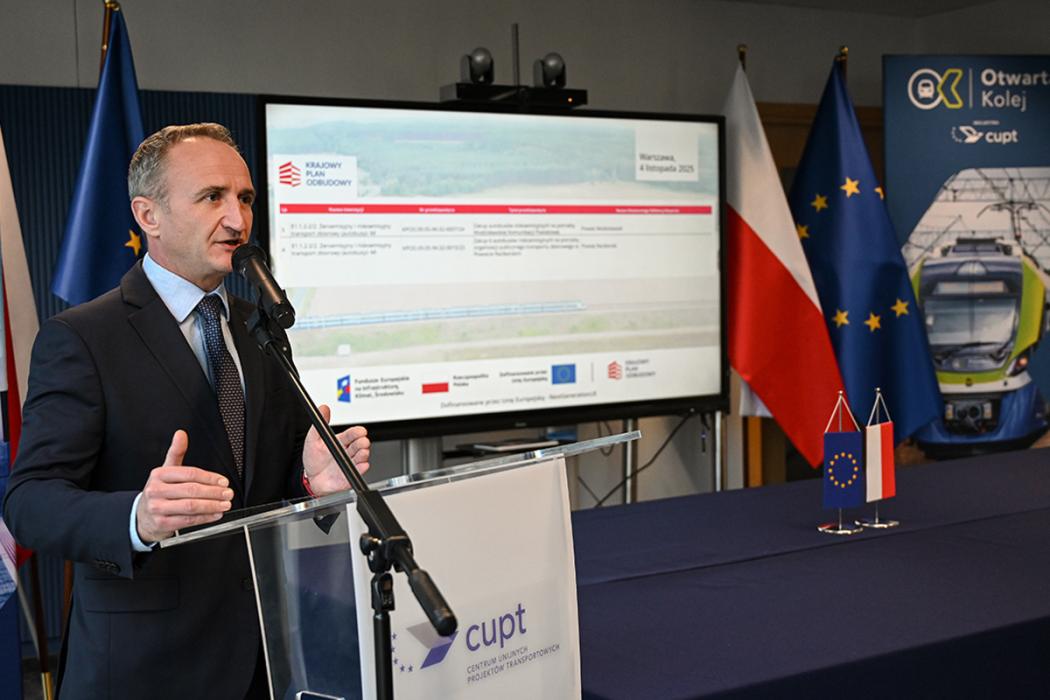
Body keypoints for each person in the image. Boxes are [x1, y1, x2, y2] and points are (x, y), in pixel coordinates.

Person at [3, 123, 371, 699]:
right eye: (212, 197)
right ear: (148, 215)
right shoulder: (83, 338)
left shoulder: (258, 328)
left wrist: (311, 485)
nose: (238, 220)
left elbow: (262, 486)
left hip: (263, 660)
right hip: (143, 670)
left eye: (245, 198)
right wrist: (138, 518)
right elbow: (30, 502)